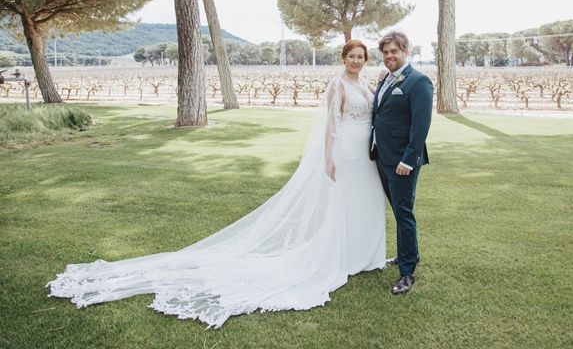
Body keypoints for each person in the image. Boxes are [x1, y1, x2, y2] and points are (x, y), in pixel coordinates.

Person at [47, 40, 386, 329]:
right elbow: (330, 126)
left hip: (365, 156)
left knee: (363, 205)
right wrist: (328, 157)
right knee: (343, 207)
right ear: (344, 58)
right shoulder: (338, 85)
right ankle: (341, 258)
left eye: (361, 56)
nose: (356, 61)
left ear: (365, 60)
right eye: (351, 56)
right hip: (344, 153)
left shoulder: (367, 85)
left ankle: (362, 255)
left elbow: (378, 107)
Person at [370, 31, 433, 295]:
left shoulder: (418, 82)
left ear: (405, 51)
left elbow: (420, 125)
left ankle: (407, 272)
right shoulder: (386, 79)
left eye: (394, 51)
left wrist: (408, 160)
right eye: (385, 53)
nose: (389, 56)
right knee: (398, 210)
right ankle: (409, 254)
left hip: (402, 161)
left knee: (404, 212)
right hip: (382, 155)